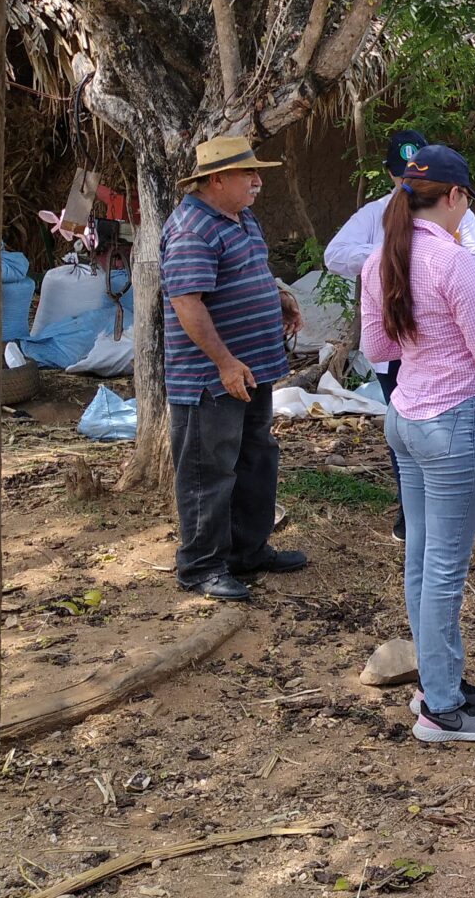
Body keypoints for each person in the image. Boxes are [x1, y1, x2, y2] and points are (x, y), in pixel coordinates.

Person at [359, 145, 475, 743]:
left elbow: (377, 349)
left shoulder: (381, 258)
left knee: (421, 560)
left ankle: (440, 681)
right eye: (467, 201)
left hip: (405, 416)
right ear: (455, 196)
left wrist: (424, 342)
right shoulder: (454, 262)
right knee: (443, 571)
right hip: (453, 422)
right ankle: (440, 707)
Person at [325, 129, 475, 542]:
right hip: (403, 351)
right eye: (401, 173)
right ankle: (413, 511)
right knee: (418, 435)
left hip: (440, 346)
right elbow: (335, 254)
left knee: (444, 441)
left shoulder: (456, 219)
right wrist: (393, 259)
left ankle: (466, 508)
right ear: (391, 175)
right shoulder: (376, 217)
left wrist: (421, 272)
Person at [162, 136, 307, 603]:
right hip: (210, 378)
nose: (258, 181)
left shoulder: (240, 217)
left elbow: (245, 273)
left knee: (254, 458)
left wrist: (278, 298)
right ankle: (201, 566)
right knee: (209, 470)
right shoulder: (192, 229)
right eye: (249, 173)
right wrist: (224, 363)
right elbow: (187, 304)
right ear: (217, 179)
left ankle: (248, 550)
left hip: (254, 368)